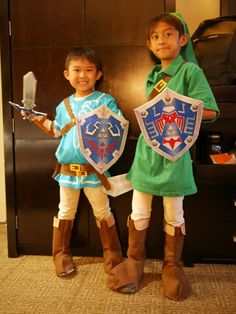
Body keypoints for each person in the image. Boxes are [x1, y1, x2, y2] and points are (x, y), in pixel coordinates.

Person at [108, 12, 220, 301]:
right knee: (139, 210)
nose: (162, 40)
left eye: (168, 34)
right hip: (147, 153)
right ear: (149, 44)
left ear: (182, 40)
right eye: (156, 36)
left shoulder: (191, 73)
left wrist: (180, 106)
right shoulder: (153, 75)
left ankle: (172, 266)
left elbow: (210, 112)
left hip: (174, 153)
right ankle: (134, 263)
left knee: (174, 212)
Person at [22, 47, 123, 279]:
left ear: (98, 74)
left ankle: (112, 254)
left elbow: (117, 130)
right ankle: (61, 254)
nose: (82, 75)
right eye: (76, 70)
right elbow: (57, 131)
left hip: (94, 171)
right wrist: (37, 118)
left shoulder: (105, 101)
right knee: (66, 211)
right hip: (67, 171)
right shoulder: (63, 105)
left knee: (102, 211)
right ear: (67, 74)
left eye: (88, 70)